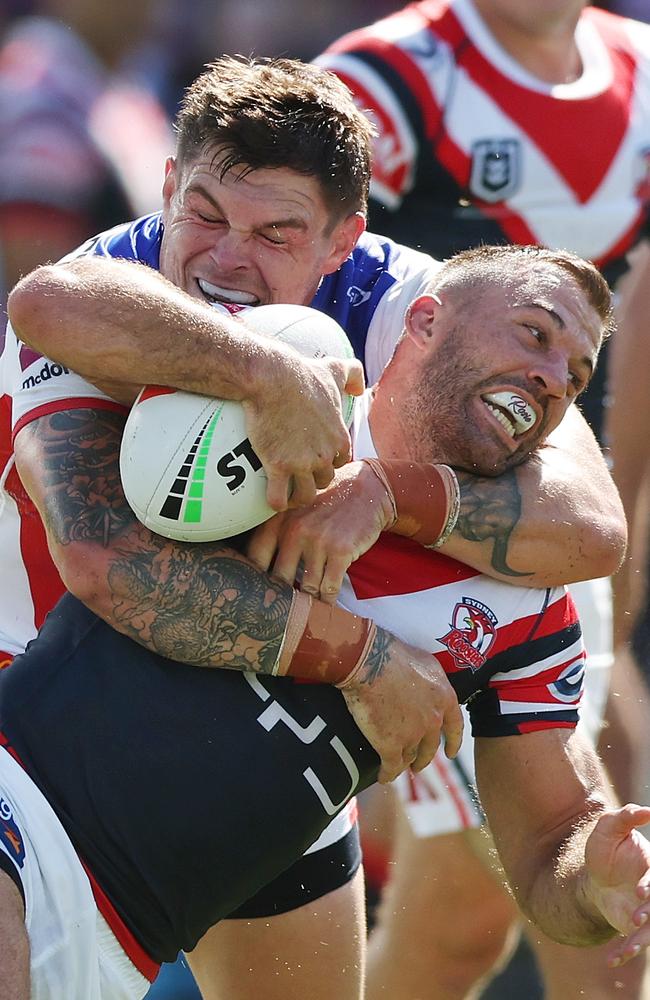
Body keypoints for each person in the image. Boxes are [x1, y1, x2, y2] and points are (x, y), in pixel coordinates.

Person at [3, 56, 626, 999]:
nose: (223, 259)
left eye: (276, 232)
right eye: (204, 214)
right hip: (37, 709)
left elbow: (591, 524)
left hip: (254, 791)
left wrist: (384, 492)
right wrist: (367, 661)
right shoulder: (114, 284)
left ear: (344, 243)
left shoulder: (406, 304)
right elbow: (103, 557)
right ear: (168, 187)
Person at [316, 2, 650, 994]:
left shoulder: (638, 73)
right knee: (594, 923)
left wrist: (609, 572)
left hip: (555, 532)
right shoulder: (387, 77)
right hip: (415, 544)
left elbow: (632, 331)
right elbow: (291, 272)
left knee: (462, 918)